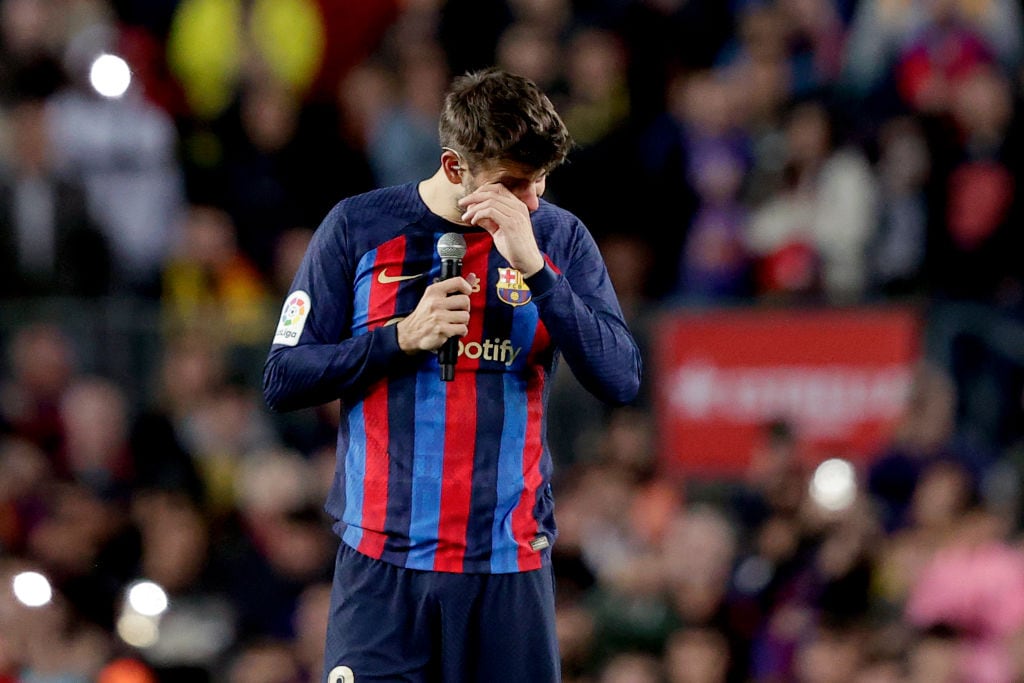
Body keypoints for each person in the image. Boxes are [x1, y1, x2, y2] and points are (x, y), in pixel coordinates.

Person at [262, 68, 642, 682]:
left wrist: (539, 273)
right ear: (455, 166)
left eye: (541, 181)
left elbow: (621, 378)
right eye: (514, 184)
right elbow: (283, 378)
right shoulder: (359, 229)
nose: (533, 202)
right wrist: (399, 339)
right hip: (383, 567)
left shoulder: (558, 238)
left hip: (508, 567)